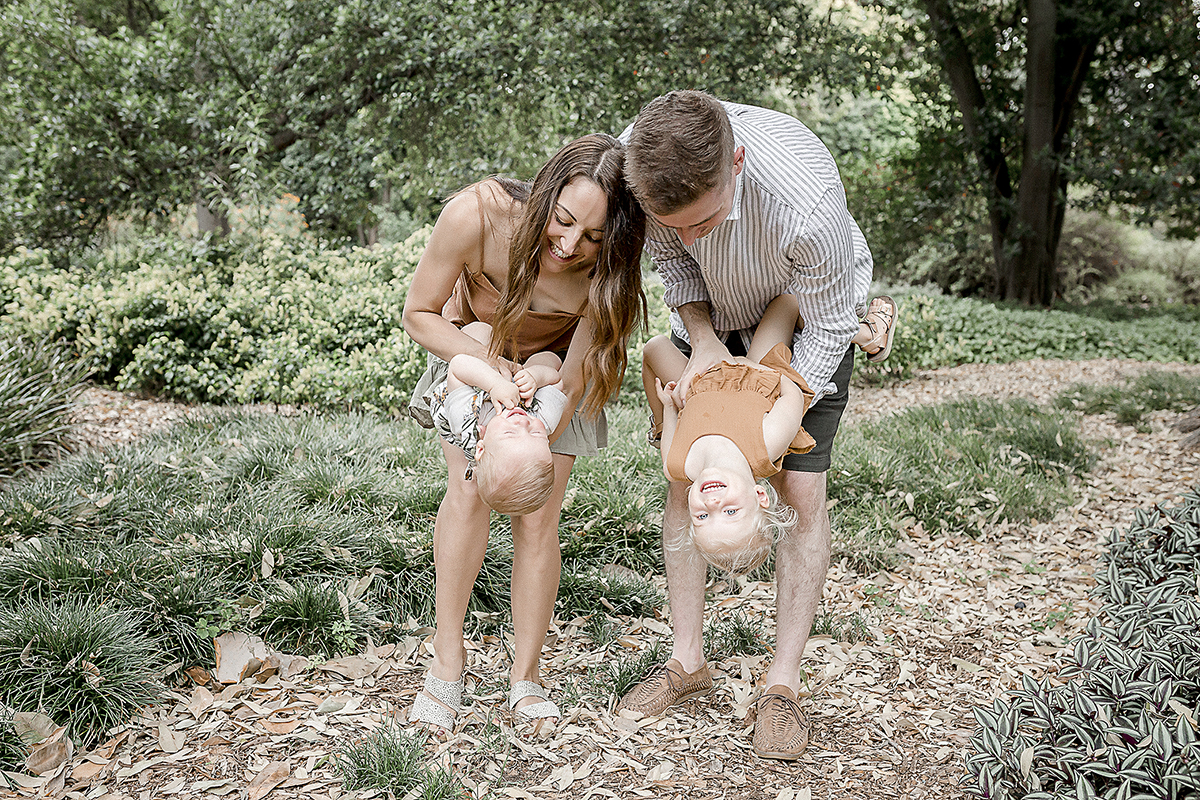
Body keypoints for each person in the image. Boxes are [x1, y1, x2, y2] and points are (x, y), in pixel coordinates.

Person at [615, 90, 894, 760]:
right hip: (712, 311)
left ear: (736, 162)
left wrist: (778, 392)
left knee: (799, 493)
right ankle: (687, 661)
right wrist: (704, 342)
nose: (684, 236)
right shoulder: (640, 158)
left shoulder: (806, 201)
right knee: (689, 484)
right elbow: (675, 262)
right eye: (668, 222)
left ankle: (782, 684)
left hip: (812, 317)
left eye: (701, 220)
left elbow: (822, 324)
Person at [402, 134, 646, 733]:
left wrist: (540, 417)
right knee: (468, 491)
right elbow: (419, 314)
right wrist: (492, 379)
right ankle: (447, 660)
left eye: (592, 238)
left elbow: (576, 368)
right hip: (474, 355)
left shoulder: (608, 272)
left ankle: (526, 676)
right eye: (562, 222)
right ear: (544, 194)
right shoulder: (478, 215)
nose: (568, 246)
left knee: (538, 515)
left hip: (555, 380)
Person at [642, 294, 813, 574]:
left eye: (702, 516)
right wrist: (758, 369)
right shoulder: (764, 448)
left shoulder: (677, 465)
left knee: (654, 348)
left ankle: (656, 424)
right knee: (787, 302)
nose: (712, 503)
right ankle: (848, 327)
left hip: (698, 382)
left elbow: (672, 405)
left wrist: (668, 408)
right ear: (760, 496)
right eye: (730, 512)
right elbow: (792, 398)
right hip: (755, 376)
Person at [430, 321, 568, 515]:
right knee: (548, 358)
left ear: (481, 447)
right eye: (535, 433)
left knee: (480, 332)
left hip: (472, 385)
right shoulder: (543, 422)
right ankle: (523, 365)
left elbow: (458, 366)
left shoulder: (466, 420)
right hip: (521, 385)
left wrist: (494, 383)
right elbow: (558, 380)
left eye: (510, 432)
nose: (522, 422)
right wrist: (535, 377)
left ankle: (495, 354)